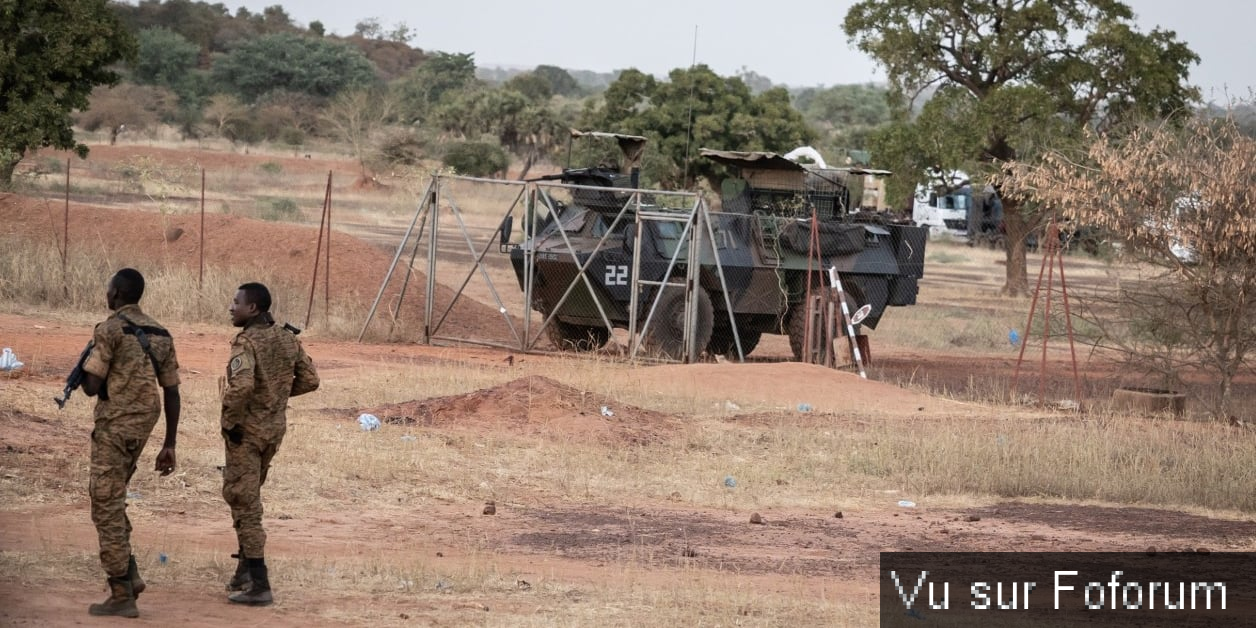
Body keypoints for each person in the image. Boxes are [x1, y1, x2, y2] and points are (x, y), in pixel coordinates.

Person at [80, 268, 181, 618]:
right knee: (114, 495)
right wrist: (169, 443)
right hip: (145, 424)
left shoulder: (108, 329)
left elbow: (93, 386)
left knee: (104, 504)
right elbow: (171, 390)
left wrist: (83, 373)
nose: (107, 294)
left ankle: (121, 591)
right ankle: (131, 573)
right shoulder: (161, 333)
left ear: (116, 294)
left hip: (115, 425)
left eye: (109, 289)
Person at [220, 282, 319, 606]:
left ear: (254, 308)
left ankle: (260, 583)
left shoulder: (246, 342)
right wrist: (274, 396)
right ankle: (244, 571)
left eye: (237, 302)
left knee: (244, 502)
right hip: (273, 431)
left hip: (246, 434)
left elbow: (243, 385)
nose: (231, 307)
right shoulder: (287, 338)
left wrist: (230, 421)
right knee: (245, 496)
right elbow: (310, 380)